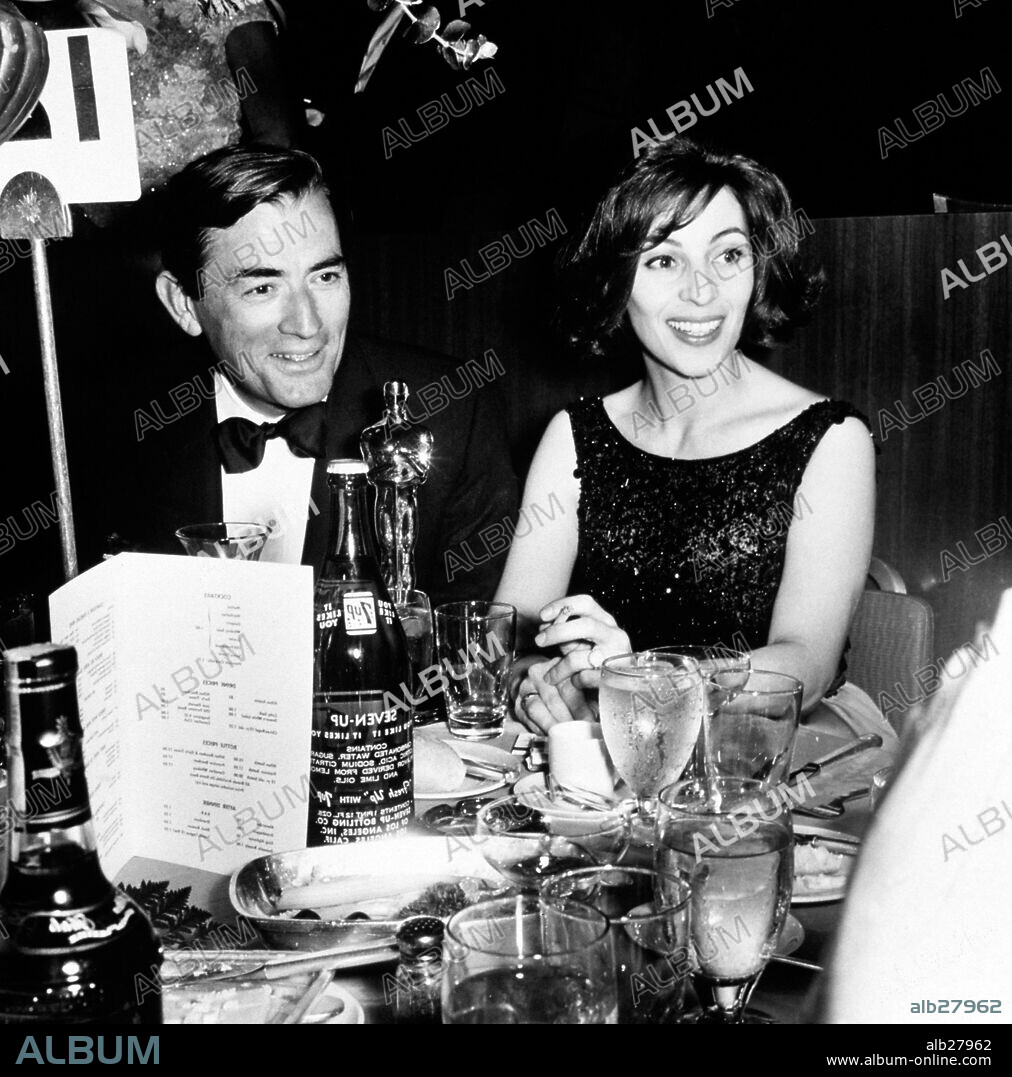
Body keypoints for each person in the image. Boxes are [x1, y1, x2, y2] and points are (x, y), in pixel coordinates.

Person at [496, 138, 895, 746]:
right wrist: (547, 688)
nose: (702, 291)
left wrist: (646, 681)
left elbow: (807, 665)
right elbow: (512, 638)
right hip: (615, 742)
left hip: (782, 746)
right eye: (663, 261)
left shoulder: (831, 438)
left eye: (728, 255)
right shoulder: (574, 435)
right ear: (615, 280)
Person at [83, 143, 517, 606]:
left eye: (325, 277)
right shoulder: (108, 436)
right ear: (184, 304)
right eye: (263, 287)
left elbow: (471, 648)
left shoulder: (450, 414)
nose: (308, 325)